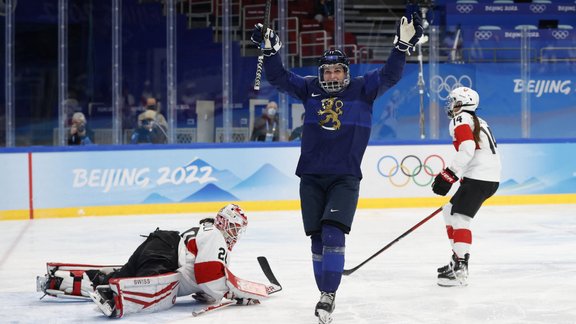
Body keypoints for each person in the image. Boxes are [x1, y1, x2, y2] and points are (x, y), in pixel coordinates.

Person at [251, 10, 423, 324]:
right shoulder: (308, 89)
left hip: (344, 178)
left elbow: (390, 75)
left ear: (346, 73)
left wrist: (401, 47)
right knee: (317, 238)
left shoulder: (363, 88)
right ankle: (324, 294)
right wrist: (271, 52)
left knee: (332, 233)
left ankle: (329, 294)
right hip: (311, 177)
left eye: (336, 71)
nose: (331, 76)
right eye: (327, 71)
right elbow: (277, 78)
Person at [37, 204, 259, 318]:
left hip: (160, 242)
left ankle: (64, 280)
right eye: (236, 228)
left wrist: (212, 292)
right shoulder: (217, 237)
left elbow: (203, 275)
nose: (236, 234)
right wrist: (226, 293)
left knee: (122, 276)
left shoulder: (208, 228)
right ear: (226, 223)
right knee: (132, 287)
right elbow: (207, 275)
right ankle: (108, 294)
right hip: (167, 255)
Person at [431, 87, 501, 287]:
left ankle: (460, 266)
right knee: (449, 210)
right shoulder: (478, 120)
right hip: (483, 177)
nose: (451, 105)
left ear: (461, 104)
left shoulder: (461, 119)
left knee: (460, 218)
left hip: (480, 178)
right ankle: (457, 259)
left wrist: (450, 173)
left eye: (453, 101)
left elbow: (467, 148)